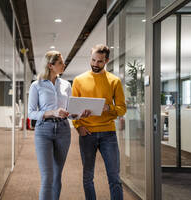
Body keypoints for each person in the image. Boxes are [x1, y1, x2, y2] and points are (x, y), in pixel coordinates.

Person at [72, 44, 126, 200]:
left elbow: (122, 109)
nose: (95, 64)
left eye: (100, 61)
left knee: (114, 177)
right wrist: (78, 127)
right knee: (88, 177)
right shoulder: (79, 80)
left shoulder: (114, 81)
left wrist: (108, 107)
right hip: (87, 133)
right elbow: (73, 109)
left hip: (108, 133)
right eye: (93, 60)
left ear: (106, 60)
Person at [28, 50, 71, 200]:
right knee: (47, 176)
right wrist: (52, 112)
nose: (63, 65)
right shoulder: (36, 85)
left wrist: (77, 113)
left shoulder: (66, 85)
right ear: (50, 65)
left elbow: (69, 110)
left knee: (57, 175)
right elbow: (31, 113)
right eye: (60, 63)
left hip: (63, 130)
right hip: (43, 130)